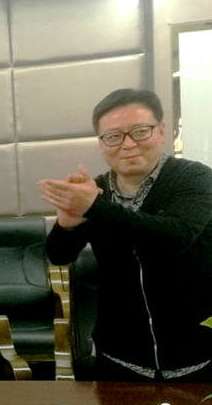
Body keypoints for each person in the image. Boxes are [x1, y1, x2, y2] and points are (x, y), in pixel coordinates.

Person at [38, 88, 212, 381]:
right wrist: (67, 223)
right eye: (114, 136)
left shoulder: (194, 178)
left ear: (161, 131)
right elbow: (59, 255)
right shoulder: (95, 191)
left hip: (197, 358)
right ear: (101, 144)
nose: (128, 144)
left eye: (140, 131)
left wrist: (95, 208)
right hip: (119, 358)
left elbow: (174, 236)